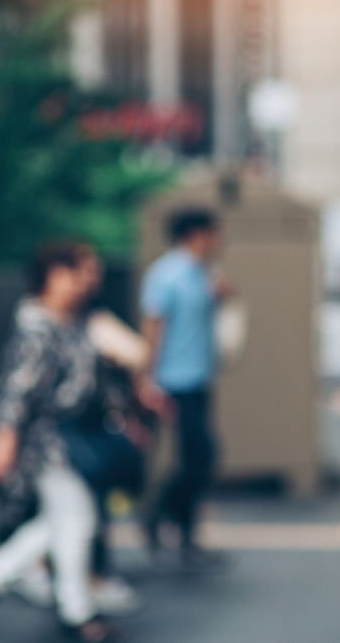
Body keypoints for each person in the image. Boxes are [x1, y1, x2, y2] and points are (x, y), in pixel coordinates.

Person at [0, 241, 119, 642]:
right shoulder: (37, 325)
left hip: (75, 437)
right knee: (77, 519)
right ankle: (76, 610)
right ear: (52, 275)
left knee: (62, 521)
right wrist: (4, 436)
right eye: (79, 272)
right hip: (50, 442)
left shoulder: (73, 322)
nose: (88, 281)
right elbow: (18, 388)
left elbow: (91, 383)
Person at [139, 208, 228, 562]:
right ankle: (161, 513)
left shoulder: (202, 273)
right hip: (173, 380)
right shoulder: (166, 274)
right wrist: (146, 379)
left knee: (197, 457)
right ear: (195, 234)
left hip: (199, 377)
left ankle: (183, 532)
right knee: (200, 455)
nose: (218, 241)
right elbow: (153, 327)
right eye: (213, 233)